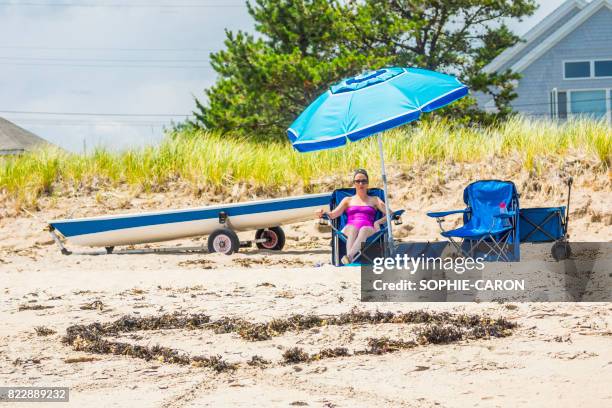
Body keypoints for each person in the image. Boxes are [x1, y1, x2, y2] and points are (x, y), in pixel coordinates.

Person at [317, 169, 389, 264]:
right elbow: (333, 214)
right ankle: (350, 257)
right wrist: (322, 213)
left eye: (363, 181)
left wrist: (377, 222)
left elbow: (390, 214)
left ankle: (349, 257)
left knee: (363, 229)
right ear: (354, 183)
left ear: (367, 183)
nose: (361, 184)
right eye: (357, 181)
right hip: (349, 229)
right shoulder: (347, 200)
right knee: (352, 228)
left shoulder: (375, 199)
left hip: (369, 229)